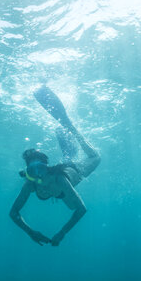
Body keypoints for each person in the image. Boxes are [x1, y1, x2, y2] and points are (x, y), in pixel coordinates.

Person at [9, 87, 101, 246]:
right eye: (32, 171)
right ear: (28, 172)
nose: (38, 176)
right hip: (62, 178)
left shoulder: (60, 180)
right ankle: (66, 139)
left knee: (96, 157)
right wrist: (30, 232)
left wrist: (62, 232)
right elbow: (13, 213)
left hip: (73, 171)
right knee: (68, 158)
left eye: (40, 169)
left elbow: (81, 209)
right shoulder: (30, 183)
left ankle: (71, 127)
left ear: (47, 167)